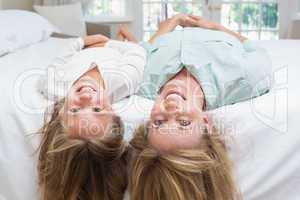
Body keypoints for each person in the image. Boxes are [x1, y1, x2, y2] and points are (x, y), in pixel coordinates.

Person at [127, 14, 272, 200]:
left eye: (159, 122)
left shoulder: (139, 80)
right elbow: (255, 50)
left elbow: (145, 49)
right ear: (206, 123)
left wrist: (171, 24)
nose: (171, 107)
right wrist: (216, 27)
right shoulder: (244, 81)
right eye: (184, 122)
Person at [37, 29, 146, 200]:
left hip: (85, 48)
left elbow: (58, 60)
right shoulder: (124, 81)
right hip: (114, 51)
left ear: (59, 112)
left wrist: (81, 42)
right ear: (114, 112)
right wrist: (109, 44)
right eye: (97, 110)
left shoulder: (53, 85)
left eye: (74, 110)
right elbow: (137, 52)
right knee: (129, 38)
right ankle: (120, 36)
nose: (87, 97)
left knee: (121, 33)